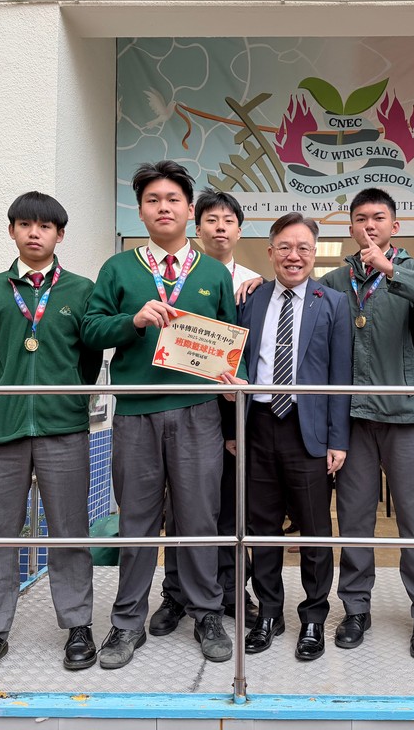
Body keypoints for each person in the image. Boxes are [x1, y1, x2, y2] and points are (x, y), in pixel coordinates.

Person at [82, 160, 240, 667]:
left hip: (198, 413)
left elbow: (230, 341)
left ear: (190, 210)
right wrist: (131, 320)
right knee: (137, 522)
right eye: (153, 200)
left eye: (173, 199)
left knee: (199, 519)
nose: (163, 207)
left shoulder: (213, 273)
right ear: (141, 211)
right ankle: (127, 621)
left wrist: (232, 380)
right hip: (135, 415)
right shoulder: (118, 269)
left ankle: (207, 613)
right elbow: (91, 330)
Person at [0, 191, 101, 680]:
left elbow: (88, 360)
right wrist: (8, 396)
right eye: (25, 225)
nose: (34, 233)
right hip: (3, 429)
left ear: (60, 235)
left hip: (63, 426)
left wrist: (66, 397)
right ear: (12, 231)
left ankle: (78, 625)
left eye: (45, 226)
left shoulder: (81, 291)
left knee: (70, 532)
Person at [319, 187, 414, 659]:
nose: (369, 226)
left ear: (394, 226)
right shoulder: (335, 280)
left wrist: (391, 271)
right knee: (354, 520)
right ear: (351, 227)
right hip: (353, 417)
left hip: (405, 414)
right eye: (361, 219)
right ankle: (356, 608)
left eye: (378, 218)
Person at [223, 212, 351, 661]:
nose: (293, 256)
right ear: (270, 251)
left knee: (315, 529)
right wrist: (233, 429)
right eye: (284, 247)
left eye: (303, 248)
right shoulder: (250, 299)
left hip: (307, 429)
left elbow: (340, 376)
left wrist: (338, 439)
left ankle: (313, 616)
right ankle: (269, 613)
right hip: (257, 425)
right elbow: (235, 364)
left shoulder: (332, 303)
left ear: (314, 254)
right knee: (262, 529)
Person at [154, 187, 261, 636]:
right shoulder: (176, 276)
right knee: (180, 509)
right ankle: (175, 593)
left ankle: (231, 590)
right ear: (196, 227)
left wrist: (237, 423)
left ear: (240, 230)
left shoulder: (256, 285)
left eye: (228, 221)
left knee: (229, 509)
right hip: (186, 409)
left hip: (233, 413)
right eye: (211, 220)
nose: (220, 228)